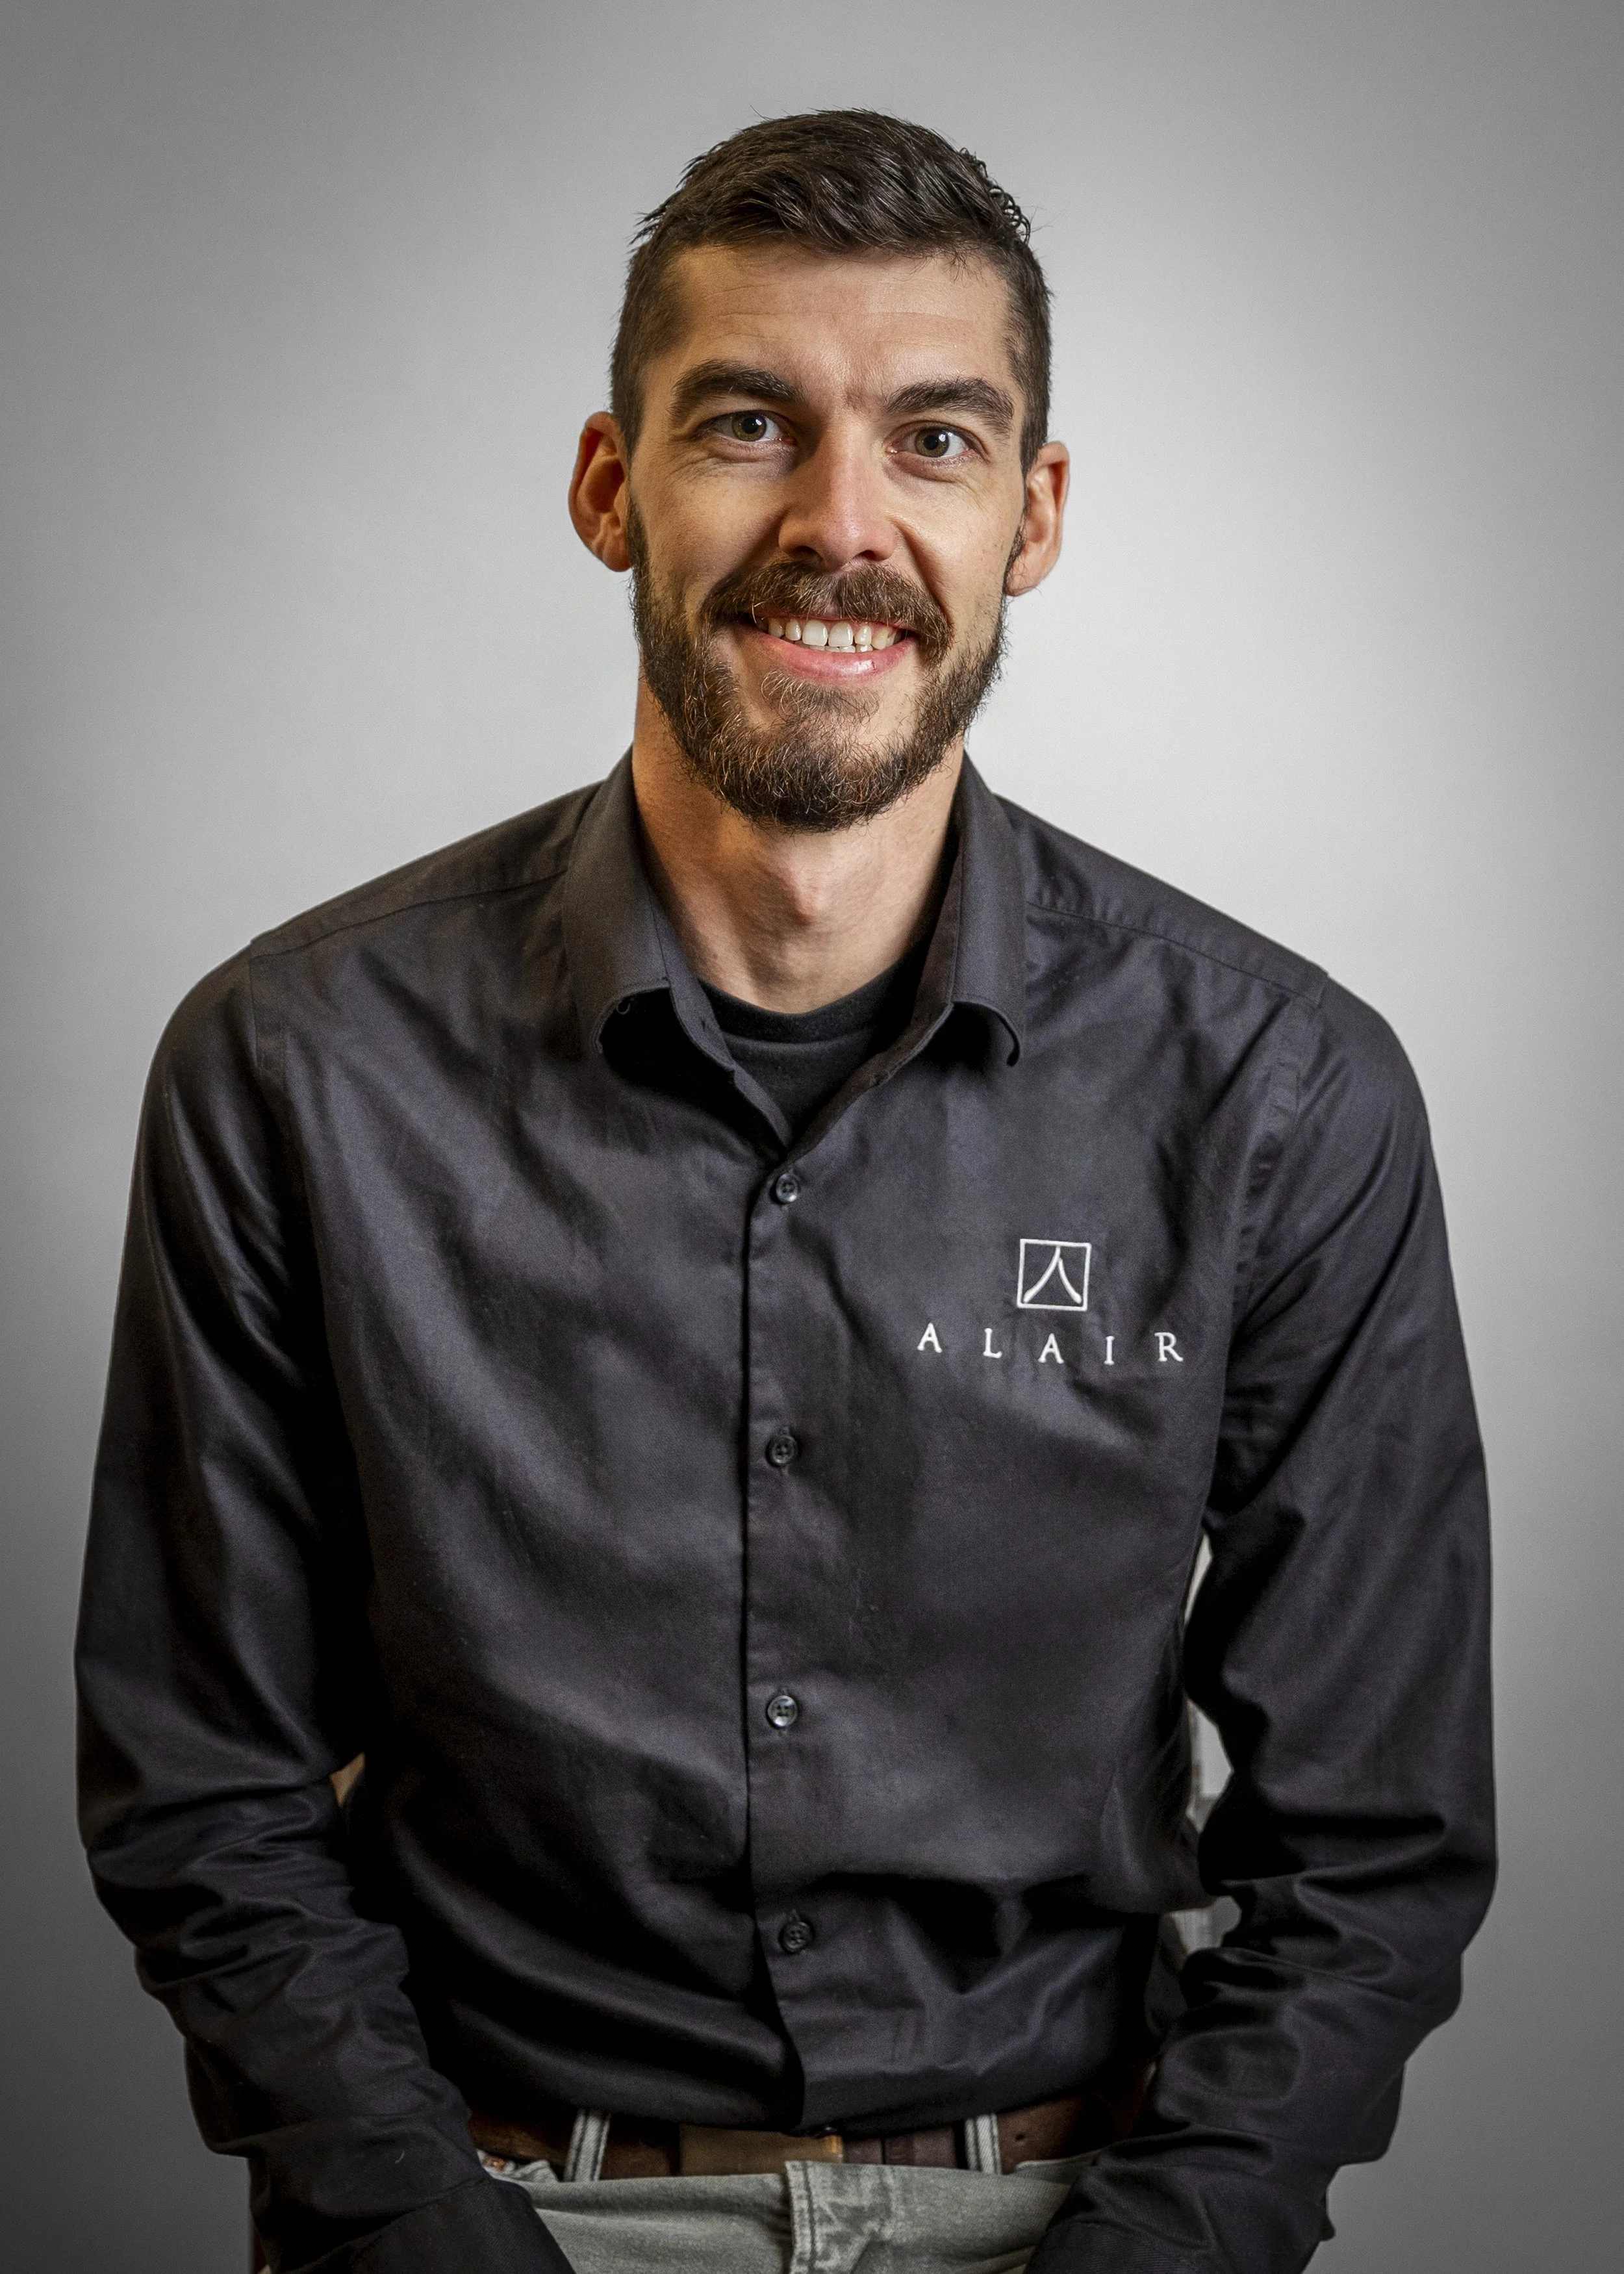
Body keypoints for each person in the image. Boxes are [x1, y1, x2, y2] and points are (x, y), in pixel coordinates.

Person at [76, 110, 1494, 2274]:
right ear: (607, 484)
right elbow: (208, 1802)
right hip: (486, 2206)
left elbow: (1371, 1848)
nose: (840, 523)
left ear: (1030, 518)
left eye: (932, 441)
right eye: (750, 423)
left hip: (1074, 2211)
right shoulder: (293, 1067)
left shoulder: (1284, 1096)